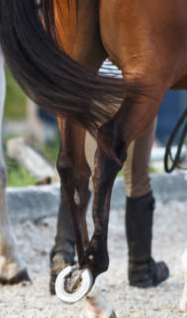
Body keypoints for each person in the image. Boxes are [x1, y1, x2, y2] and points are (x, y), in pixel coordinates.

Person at [49, 60, 168, 292]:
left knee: (79, 172)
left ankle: (62, 254)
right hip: (132, 92)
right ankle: (140, 267)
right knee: (137, 179)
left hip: (85, 87)